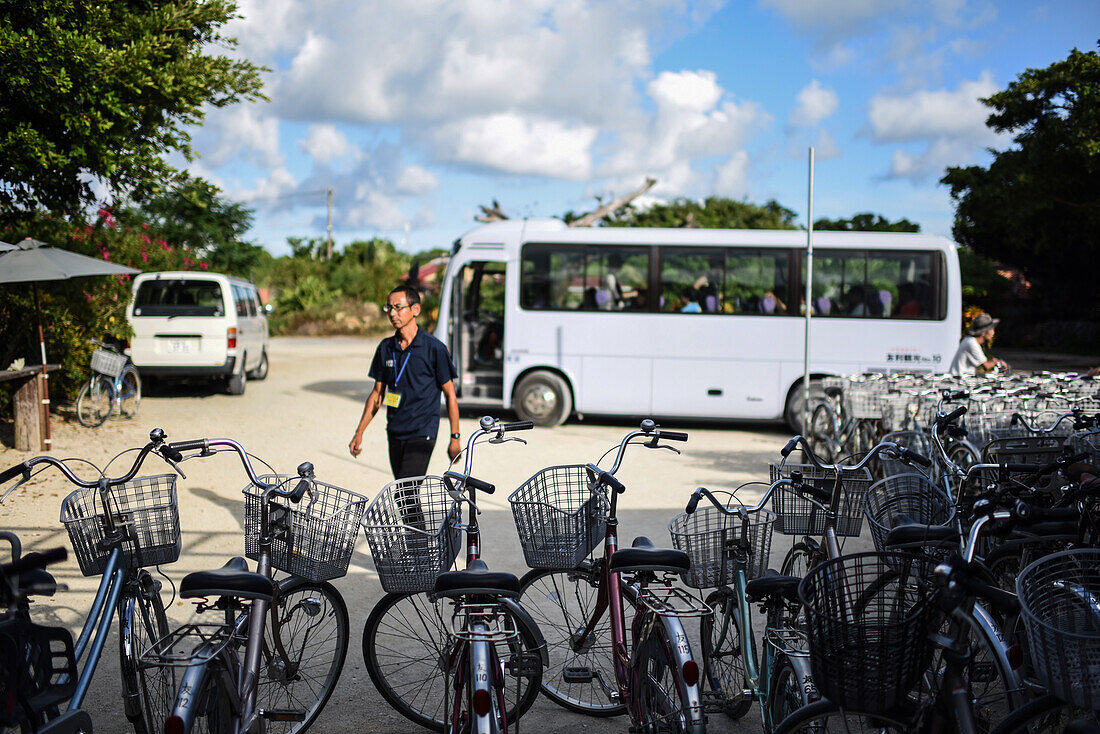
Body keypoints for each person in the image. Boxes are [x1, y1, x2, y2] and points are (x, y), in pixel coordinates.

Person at [349, 285, 461, 478]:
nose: (392, 313)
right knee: (404, 496)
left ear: (415, 309)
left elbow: (450, 394)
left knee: (406, 491)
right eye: (389, 308)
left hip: (423, 431)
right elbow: (377, 394)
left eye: (398, 307)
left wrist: (455, 437)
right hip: (395, 431)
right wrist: (359, 432)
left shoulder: (434, 349)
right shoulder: (385, 348)